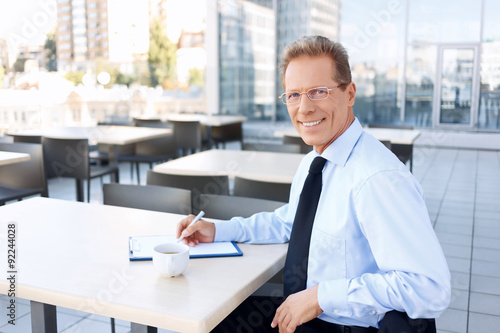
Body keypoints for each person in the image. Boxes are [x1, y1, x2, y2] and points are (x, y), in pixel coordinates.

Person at [176, 35, 450, 333]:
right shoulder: (314, 162)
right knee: (211, 316)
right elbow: (290, 223)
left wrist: (322, 297)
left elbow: (429, 288)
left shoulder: (378, 178)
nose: (304, 108)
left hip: (345, 324)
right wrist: (219, 230)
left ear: (350, 94)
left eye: (318, 91)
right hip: (306, 311)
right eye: (293, 95)